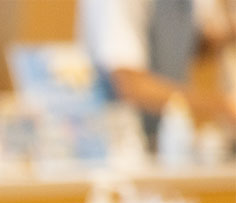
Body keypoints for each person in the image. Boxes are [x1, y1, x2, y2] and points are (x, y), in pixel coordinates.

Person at [78, 0, 236, 133]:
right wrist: (223, 104)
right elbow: (130, 84)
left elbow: (197, 40)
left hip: (163, 136)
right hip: (112, 142)